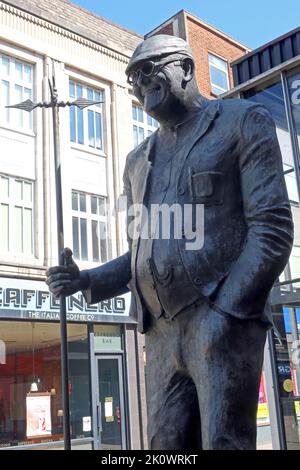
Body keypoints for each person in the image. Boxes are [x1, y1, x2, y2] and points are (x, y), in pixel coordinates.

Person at [46, 35, 293, 450]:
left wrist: (227, 314)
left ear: (186, 68)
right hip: (159, 333)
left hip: (219, 319)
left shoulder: (242, 121)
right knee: (165, 447)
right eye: (132, 80)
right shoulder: (136, 161)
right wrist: (86, 279)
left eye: (148, 71)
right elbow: (141, 253)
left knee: (224, 444)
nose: (140, 85)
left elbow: (271, 228)